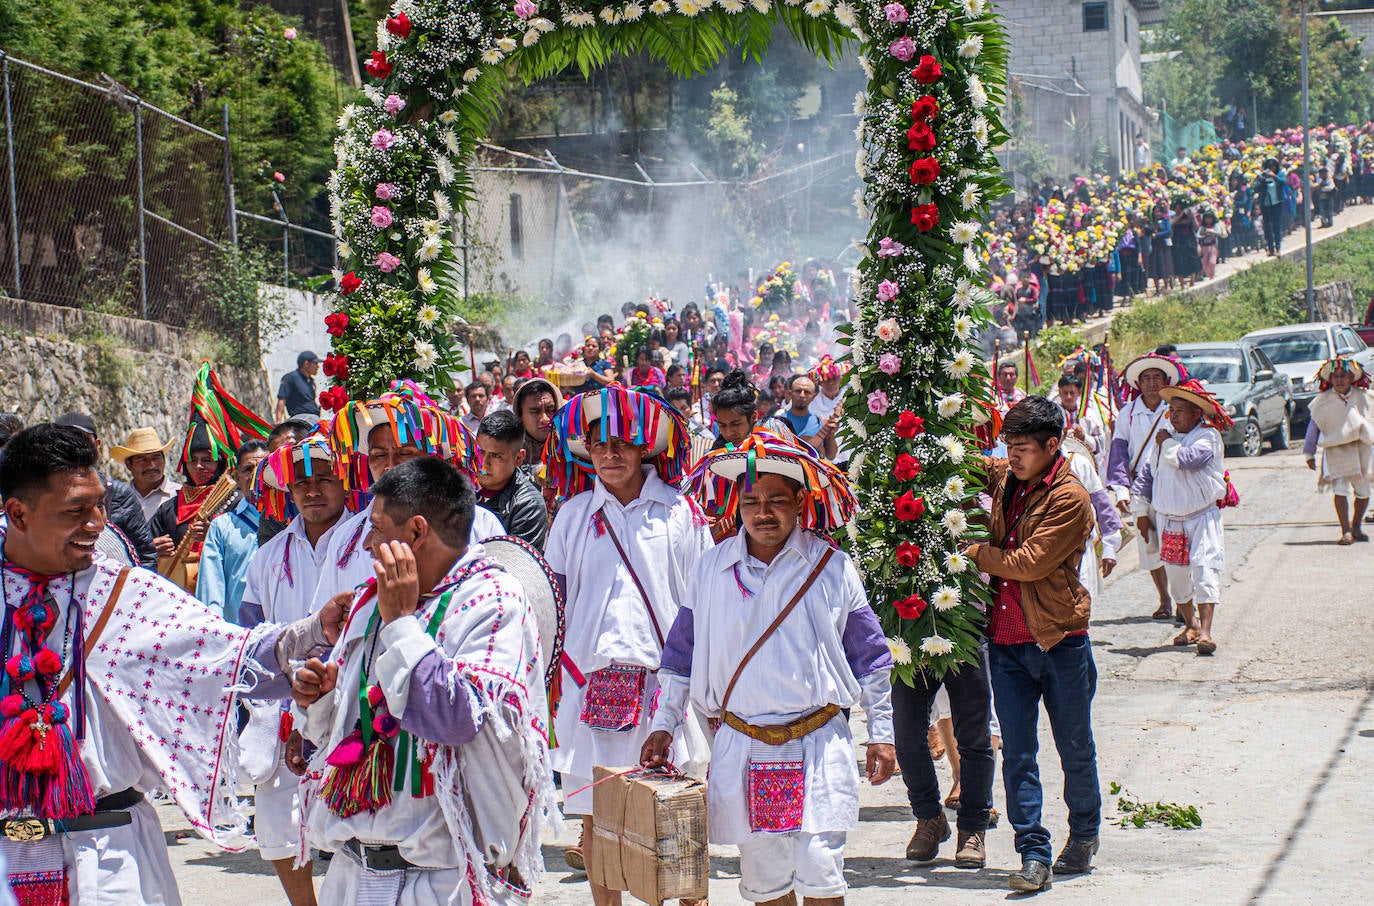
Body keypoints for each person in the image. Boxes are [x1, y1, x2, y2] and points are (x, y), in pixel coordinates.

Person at [0, 423, 337, 905]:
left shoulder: (126, 594)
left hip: (111, 859)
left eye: (99, 506)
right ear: (18, 513)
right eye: (75, 510)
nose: (96, 524)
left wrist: (314, 632)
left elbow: (228, 654)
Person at [643, 431, 896, 904]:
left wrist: (882, 732)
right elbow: (680, 656)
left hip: (818, 743)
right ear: (737, 506)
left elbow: (871, 659)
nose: (763, 512)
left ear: (800, 502)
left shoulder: (832, 567)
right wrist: (663, 724)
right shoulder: (710, 568)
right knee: (765, 881)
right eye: (751, 502)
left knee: (822, 872)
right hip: (743, 743)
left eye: (776, 500)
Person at [291, 458, 554, 903]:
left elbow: (456, 719)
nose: (367, 544)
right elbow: (343, 735)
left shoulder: (494, 602)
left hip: (444, 881)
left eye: (377, 529)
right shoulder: (371, 601)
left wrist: (400, 623)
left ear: (416, 532)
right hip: (352, 874)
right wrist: (319, 699)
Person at [541, 386, 714, 893]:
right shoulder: (573, 516)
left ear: (643, 448)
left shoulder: (681, 512)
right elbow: (552, 601)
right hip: (588, 687)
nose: (610, 454)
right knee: (598, 823)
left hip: (666, 687)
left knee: (680, 819)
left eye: (622, 443)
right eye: (599, 444)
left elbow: (703, 601)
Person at [959, 398, 1099, 892]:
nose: (1012, 456)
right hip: (1005, 642)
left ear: (1052, 445)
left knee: (1074, 748)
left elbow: (1028, 563)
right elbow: (973, 464)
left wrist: (973, 552)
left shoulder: (1069, 498)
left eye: (1022, 447)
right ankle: (1033, 852)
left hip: (1058, 639)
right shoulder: (1007, 478)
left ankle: (1084, 835)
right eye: (1009, 446)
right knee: (1018, 752)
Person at [239, 437, 353, 905]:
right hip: (284, 704)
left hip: (351, 701)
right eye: (301, 482)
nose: (313, 491)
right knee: (279, 820)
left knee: (357, 818)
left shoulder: (366, 540)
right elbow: (250, 636)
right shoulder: (268, 557)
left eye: (325, 478)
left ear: (345, 481)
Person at [321, 389, 504, 602]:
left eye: (405, 453)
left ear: (430, 456)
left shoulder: (481, 523)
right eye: (379, 455)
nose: (390, 465)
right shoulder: (344, 538)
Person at [1130, 380, 1230, 656]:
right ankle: (1191, 624)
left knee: (1205, 569)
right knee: (1177, 579)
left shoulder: (1207, 437)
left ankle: (1206, 631)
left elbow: (1189, 460)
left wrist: (1167, 442)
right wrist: (1141, 511)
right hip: (1170, 520)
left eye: (1180, 411)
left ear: (1197, 413)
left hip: (1202, 518)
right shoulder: (1164, 439)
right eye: (1171, 410)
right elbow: (1147, 475)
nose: (1173, 416)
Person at [1107, 353, 1184, 621]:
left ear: (1166, 381)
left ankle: (1184, 600)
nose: (1152, 383)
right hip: (1142, 488)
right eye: (1147, 378)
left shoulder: (1175, 409)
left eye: (1157, 378)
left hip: (1173, 485)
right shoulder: (1127, 414)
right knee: (1149, 543)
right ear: (1138, 384)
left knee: (1176, 541)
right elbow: (1118, 453)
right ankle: (1164, 599)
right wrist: (1121, 491)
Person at [54, 413, 158, 569]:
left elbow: (146, 556)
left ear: (96, 445)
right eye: (65, 441)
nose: (74, 447)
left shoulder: (120, 495)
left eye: (82, 439)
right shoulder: (39, 494)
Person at [196, 439, 269, 623]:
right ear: (237, 477)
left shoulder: (292, 521)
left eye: (262, 467)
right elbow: (211, 588)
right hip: (238, 632)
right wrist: (214, 628)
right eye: (248, 469)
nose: (255, 475)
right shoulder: (221, 527)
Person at [149, 423, 230, 589]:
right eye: (192, 460)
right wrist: (152, 548)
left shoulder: (235, 501)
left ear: (220, 463)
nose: (199, 466)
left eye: (207, 460)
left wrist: (215, 535)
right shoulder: (168, 509)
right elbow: (143, 549)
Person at [1303, 357, 1373, 545]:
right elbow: (1314, 427)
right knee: (1340, 491)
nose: (1340, 380)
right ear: (1330, 379)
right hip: (1336, 450)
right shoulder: (1322, 402)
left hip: (1362, 449)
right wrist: (1309, 453)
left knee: (1364, 492)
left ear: (1351, 378)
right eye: (1336, 377)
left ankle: (1356, 526)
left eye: (1343, 376)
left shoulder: (1365, 397)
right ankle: (1346, 531)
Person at [475, 409, 550, 548]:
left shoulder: (528, 504)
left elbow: (514, 559)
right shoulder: (459, 485)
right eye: (480, 452)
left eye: (496, 456)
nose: (484, 463)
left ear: (519, 458)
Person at [111, 427, 181, 522]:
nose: (151, 465)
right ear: (128, 465)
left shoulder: (180, 495)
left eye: (156, 457)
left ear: (164, 460)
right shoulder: (117, 498)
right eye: (142, 459)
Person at [781, 375, 837, 459]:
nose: (802, 395)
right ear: (790, 393)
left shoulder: (821, 422)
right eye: (798, 391)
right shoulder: (778, 422)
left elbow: (831, 456)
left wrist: (831, 435)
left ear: (814, 396)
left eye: (807, 392)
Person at [513, 377, 564, 466]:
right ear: (520, 416)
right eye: (535, 412)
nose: (545, 419)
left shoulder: (571, 450)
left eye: (551, 410)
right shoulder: (509, 452)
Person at [276, 351, 322, 420]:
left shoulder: (310, 381)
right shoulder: (291, 378)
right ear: (306, 364)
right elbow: (282, 399)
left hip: (314, 417)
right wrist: (278, 420)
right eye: (315, 363)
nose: (318, 367)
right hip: (300, 418)